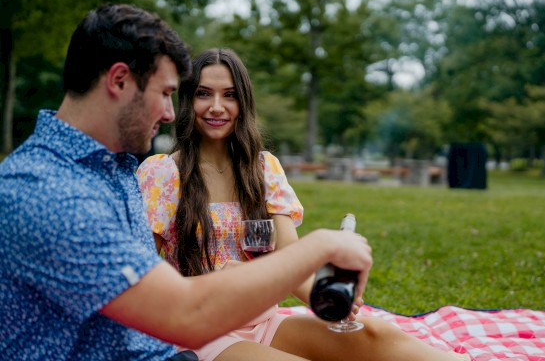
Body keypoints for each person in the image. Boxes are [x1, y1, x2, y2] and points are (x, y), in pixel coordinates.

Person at [0, 4, 374, 361]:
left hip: (174, 346)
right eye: (166, 94)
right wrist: (323, 245)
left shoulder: (108, 171)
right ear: (118, 80)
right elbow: (183, 313)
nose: (168, 113)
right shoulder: (50, 193)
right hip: (187, 340)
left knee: (370, 339)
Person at [136, 48, 470, 361]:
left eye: (230, 95)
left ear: (244, 102)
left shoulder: (264, 169)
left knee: (373, 334)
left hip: (264, 323)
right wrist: (222, 280)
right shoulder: (163, 174)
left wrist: (325, 296)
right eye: (204, 94)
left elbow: (289, 259)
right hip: (196, 332)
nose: (216, 107)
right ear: (187, 99)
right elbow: (140, 287)